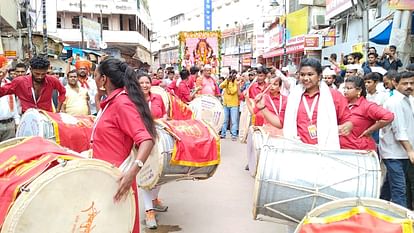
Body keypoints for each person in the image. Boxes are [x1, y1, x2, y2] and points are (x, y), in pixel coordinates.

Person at [91, 58, 156, 233]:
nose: (94, 80)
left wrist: (132, 173)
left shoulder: (121, 103)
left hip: (117, 180)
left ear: (104, 79)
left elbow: (146, 139)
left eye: (95, 76)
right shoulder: (112, 101)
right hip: (105, 178)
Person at [263, 58, 353, 149]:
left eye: (310, 74)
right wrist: (263, 108)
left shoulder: (333, 96)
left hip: (325, 152)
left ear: (319, 76)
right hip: (297, 150)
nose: (306, 78)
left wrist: (348, 125)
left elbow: (347, 119)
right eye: (302, 74)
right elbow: (281, 122)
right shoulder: (293, 97)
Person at [136, 72, 167, 229]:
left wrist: (162, 121)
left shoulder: (158, 98)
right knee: (146, 174)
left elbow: (165, 115)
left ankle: (154, 200)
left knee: (160, 172)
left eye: (147, 82)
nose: (144, 85)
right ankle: (149, 211)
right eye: (141, 83)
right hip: (141, 143)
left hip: (159, 141)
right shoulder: (133, 101)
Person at [379, 71, 414, 208]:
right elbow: (399, 130)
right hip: (394, 152)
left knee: (389, 186)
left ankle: (380, 210)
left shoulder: (407, 100)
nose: (409, 86)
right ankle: (403, 222)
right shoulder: (395, 102)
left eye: (412, 83)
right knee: (400, 188)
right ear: (396, 83)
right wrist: (410, 151)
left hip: (402, 153)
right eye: (405, 83)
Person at [340, 76, 393, 150]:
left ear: (359, 90)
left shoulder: (366, 106)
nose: (345, 91)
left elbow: (388, 116)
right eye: (344, 88)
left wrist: (370, 130)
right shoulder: (342, 104)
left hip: (361, 150)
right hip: (342, 149)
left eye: (349, 88)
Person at [0, 56, 66, 113]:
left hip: (46, 117)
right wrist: (1, 77)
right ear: (31, 70)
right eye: (37, 74)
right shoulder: (19, 82)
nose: (40, 77)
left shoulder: (52, 80)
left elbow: (63, 91)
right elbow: (2, 92)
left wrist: (58, 109)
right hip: (27, 118)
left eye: (43, 74)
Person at [0, 67, 19, 142]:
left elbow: (13, 104)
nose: (1, 73)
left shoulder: (9, 83)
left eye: (2, 70)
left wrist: (17, 122)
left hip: (10, 125)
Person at [220, 70, 240, 140]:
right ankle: (223, 134)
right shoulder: (227, 81)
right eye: (231, 74)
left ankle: (234, 135)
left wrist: (230, 83)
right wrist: (226, 81)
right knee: (225, 120)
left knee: (234, 120)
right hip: (226, 103)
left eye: (234, 75)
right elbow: (220, 86)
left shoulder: (236, 82)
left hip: (234, 104)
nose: (232, 76)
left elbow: (233, 91)